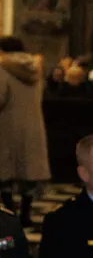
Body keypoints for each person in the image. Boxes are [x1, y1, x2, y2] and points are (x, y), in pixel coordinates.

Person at [0, 36, 51, 227]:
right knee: (28, 174)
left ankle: (9, 213)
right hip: (33, 125)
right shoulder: (36, 69)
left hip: (7, 125)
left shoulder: (2, 68)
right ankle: (26, 215)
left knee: (5, 172)